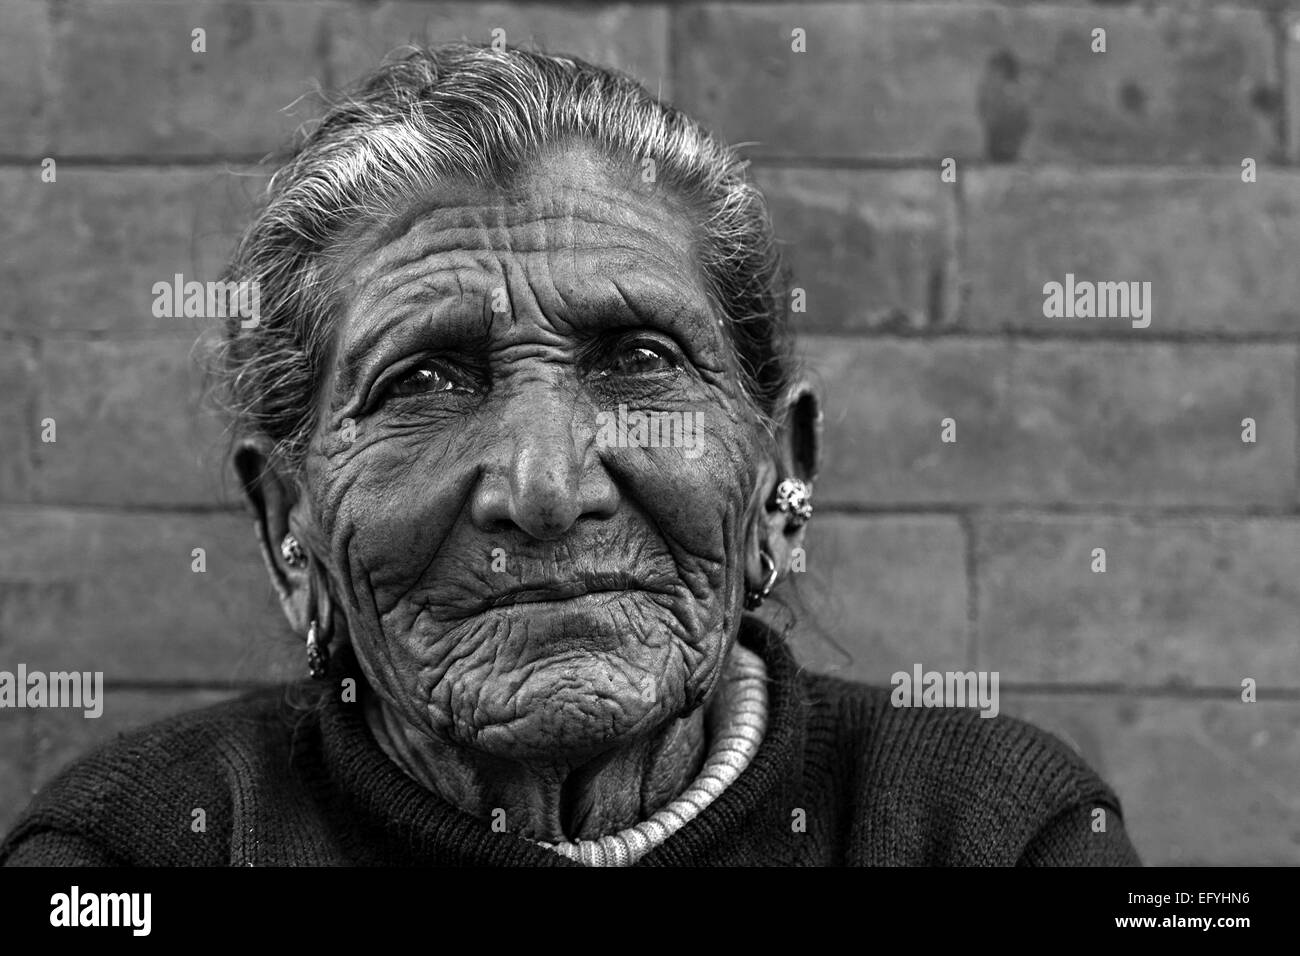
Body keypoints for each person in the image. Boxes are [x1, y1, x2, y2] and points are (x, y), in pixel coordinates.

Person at [0, 43, 1140, 866]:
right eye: (424, 383)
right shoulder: (127, 857)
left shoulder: (992, 832)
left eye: (637, 361)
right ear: (286, 531)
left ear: (779, 486)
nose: (545, 490)